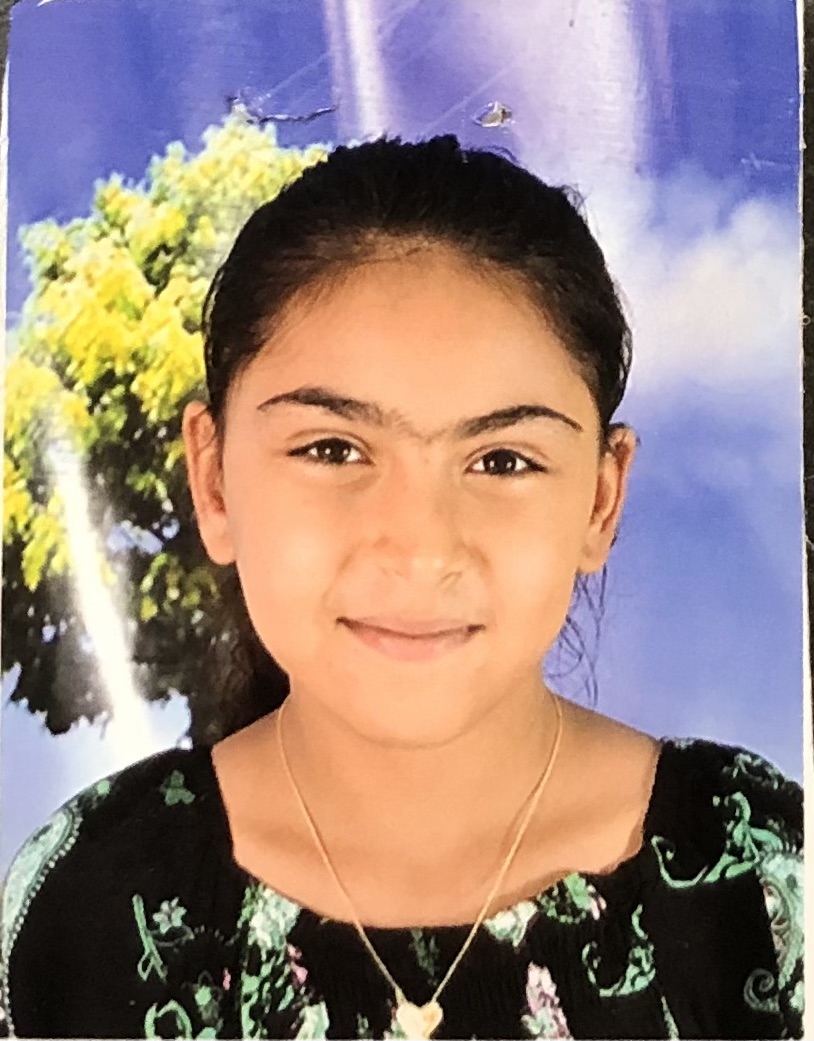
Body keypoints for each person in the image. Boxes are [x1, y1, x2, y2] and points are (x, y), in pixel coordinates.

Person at [0, 135, 802, 1041]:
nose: (421, 549)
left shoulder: (759, 877)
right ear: (213, 478)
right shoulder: (85, 903)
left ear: (600, 499)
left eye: (502, 459)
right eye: (333, 448)